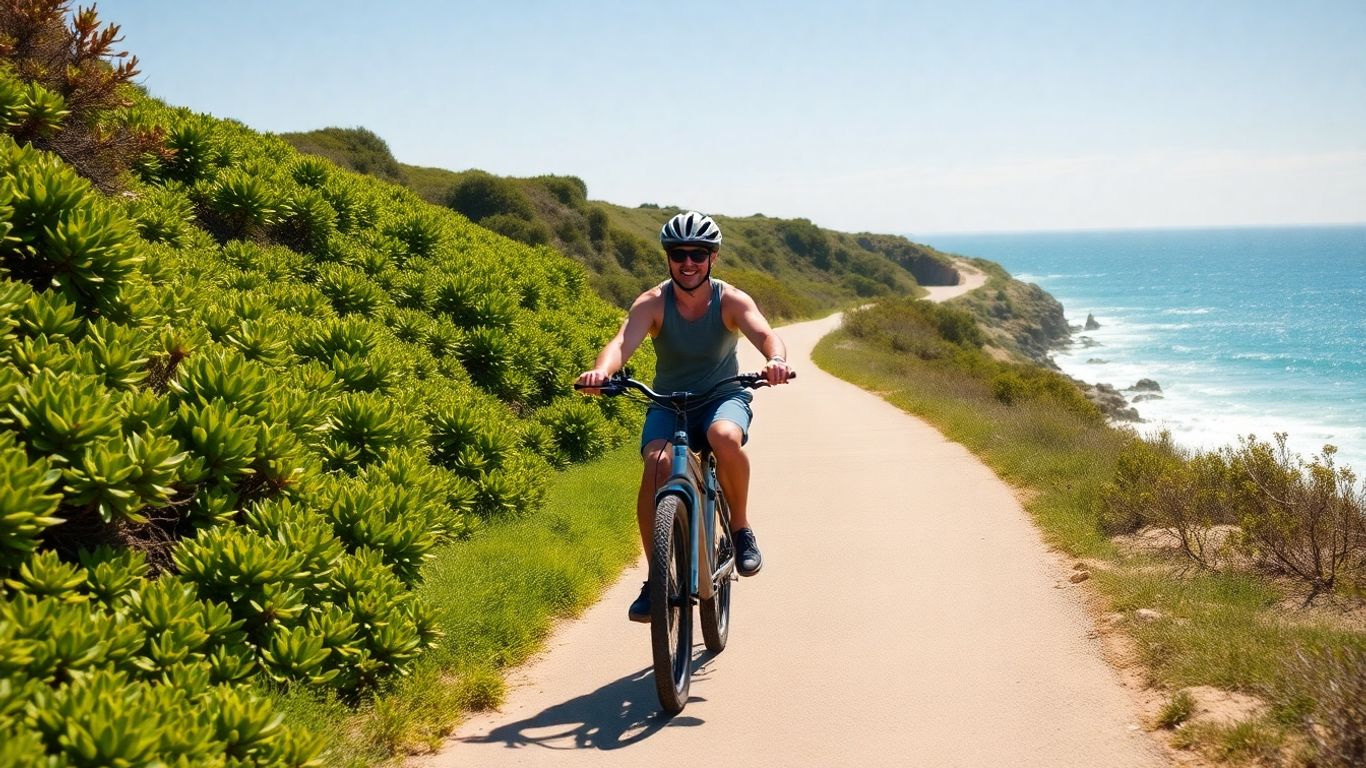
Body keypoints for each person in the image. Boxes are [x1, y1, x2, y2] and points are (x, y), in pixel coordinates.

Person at [576, 211, 793, 622]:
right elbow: (623, 341)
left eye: (697, 253)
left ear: (713, 258)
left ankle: (742, 530)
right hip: (669, 402)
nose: (687, 262)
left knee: (724, 437)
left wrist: (776, 360)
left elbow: (764, 333)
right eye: (678, 254)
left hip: (721, 396)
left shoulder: (730, 300)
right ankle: (656, 579)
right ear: (668, 258)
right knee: (656, 466)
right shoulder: (654, 302)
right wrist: (602, 372)